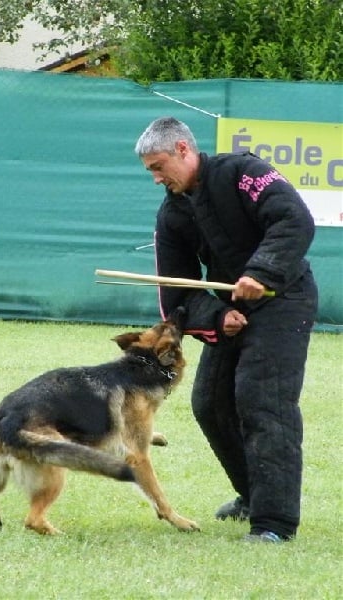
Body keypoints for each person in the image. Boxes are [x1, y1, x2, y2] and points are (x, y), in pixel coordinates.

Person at [134, 116, 318, 543]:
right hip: (231, 309)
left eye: (159, 167)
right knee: (210, 404)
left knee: (263, 401)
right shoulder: (172, 213)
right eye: (151, 171)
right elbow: (176, 293)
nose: (157, 179)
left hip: (284, 298)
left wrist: (262, 272)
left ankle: (274, 523)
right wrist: (219, 318)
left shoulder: (243, 173)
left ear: (183, 149)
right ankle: (252, 496)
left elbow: (294, 220)